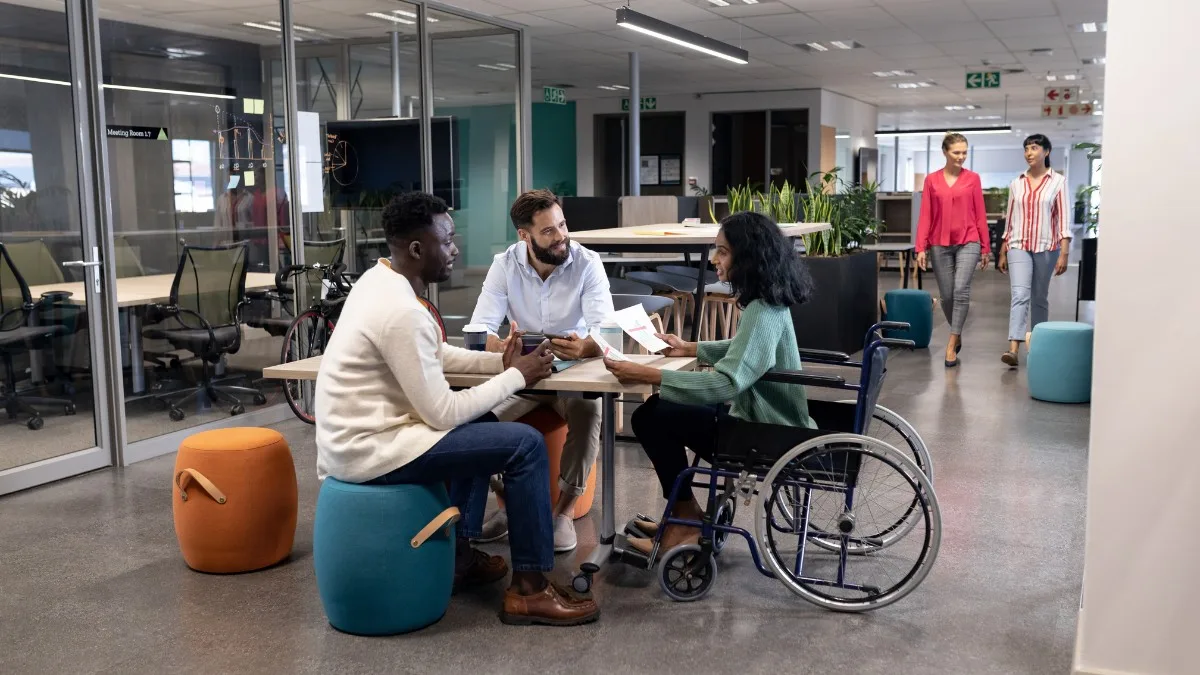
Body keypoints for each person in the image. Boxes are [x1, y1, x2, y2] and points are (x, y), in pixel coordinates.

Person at [314, 191, 600, 626]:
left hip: (370, 438)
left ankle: (459, 554)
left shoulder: (381, 283)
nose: (456, 250)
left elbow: (439, 354)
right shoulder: (400, 311)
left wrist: (498, 362)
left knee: (485, 420)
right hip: (373, 451)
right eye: (447, 241)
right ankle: (530, 589)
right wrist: (518, 375)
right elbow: (443, 414)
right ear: (416, 248)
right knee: (523, 446)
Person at [602, 211, 815, 556]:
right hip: (771, 423)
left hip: (762, 434)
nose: (714, 260)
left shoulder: (762, 309)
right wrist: (692, 348)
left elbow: (727, 383)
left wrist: (651, 375)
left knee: (650, 417)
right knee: (657, 412)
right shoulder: (770, 301)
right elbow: (745, 350)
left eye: (723, 252)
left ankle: (684, 523)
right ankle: (682, 518)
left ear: (747, 257)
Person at [469, 189, 613, 553]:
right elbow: (481, 326)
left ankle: (562, 515)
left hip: (572, 376)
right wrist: (497, 345)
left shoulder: (587, 262)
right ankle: (509, 502)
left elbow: (606, 329)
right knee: (470, 425)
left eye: (562, 225)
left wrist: (586, 346)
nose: (561, 235)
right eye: (548, 231)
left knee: (589, 410)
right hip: (523, 377)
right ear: (524, 235)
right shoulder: (504, 265)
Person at [915, 132, 991, 368]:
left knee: (961, 290)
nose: (961, 157)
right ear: (945, 152)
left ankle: (951, 343)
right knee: (947, 295)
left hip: (969, 240)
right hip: (939, 242)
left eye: (964, 152)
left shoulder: (973, 179)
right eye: (956, 152)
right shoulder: (931, 180)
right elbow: (926, 215)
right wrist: (921, 247)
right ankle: (957, 331)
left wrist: (985, 247)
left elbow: (980, 213)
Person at [997, 134, 1072, 367]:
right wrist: (1003, 247)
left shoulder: (1058, 182)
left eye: (1034, 148)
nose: (1029, 152)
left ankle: (1038, 347)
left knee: (1039, 298)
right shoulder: (1016, 183)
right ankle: (1013, 348)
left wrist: (1064, 251)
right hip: (1018, 245)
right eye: (1026, 148)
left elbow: (1064, 219)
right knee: (1020, 295)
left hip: (1046, 247)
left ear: (1046, 152)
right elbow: (1009, 218)